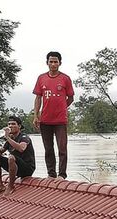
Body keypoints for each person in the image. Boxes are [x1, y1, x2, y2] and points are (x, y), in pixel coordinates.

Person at [32, 51, 74, 180]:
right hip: (45, 119)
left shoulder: (65, 78)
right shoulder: (41, 78)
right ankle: (51, 174)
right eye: (51, 61)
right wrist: (36, 115)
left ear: (60, 63)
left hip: (60, 120)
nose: (53, 64)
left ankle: (62, 174)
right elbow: (38, 98)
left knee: (62, 148)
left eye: (56, 61)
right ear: (47, 63)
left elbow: (71, 98)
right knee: (48, 149)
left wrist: (62, 107)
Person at [0, 116, 36, 197]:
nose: (10, 126)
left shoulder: (24, 137)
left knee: (11, 157)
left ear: (19, 126)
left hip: (27, 168)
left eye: (13, 124)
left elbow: (21, 148)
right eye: (9, 124)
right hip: (15, 166)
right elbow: (1, 151)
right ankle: (0, 185)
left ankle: (11, 186)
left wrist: (7, 137)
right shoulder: (10, 140)